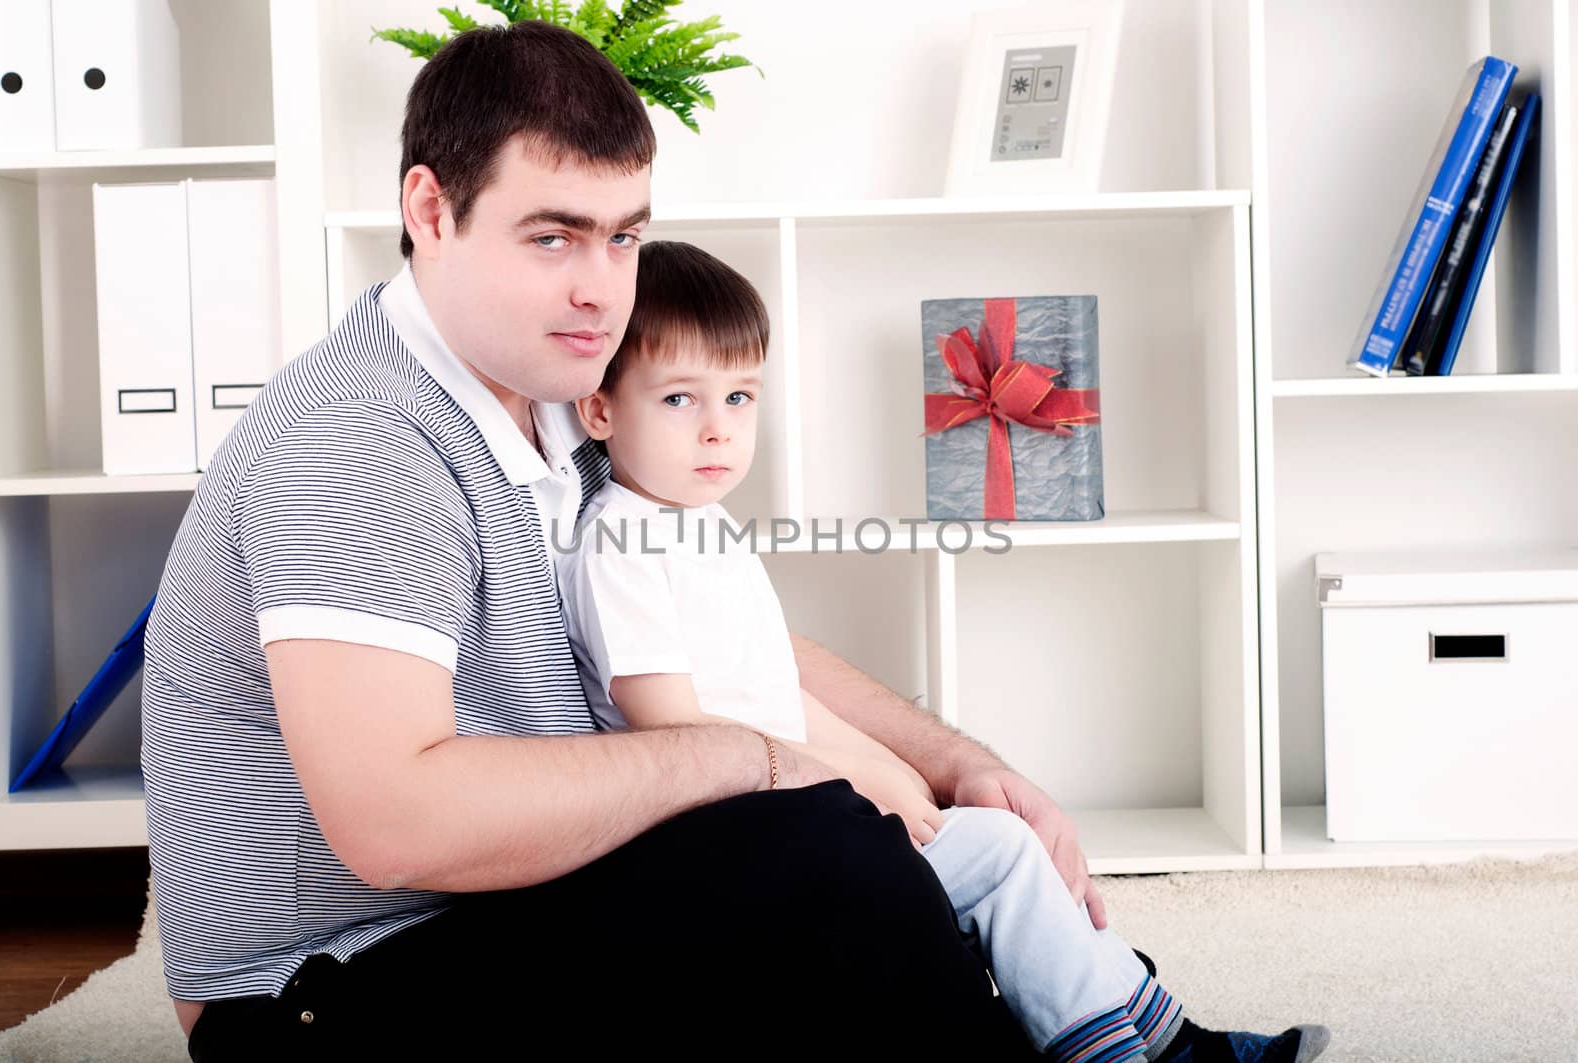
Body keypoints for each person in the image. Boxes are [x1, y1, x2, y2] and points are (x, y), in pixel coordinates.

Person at [142, 21, 1098, 1061]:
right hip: (330, 987)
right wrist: (759, 761)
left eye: (623, 236)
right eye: (553, 237)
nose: (601, 287)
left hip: (528, 902)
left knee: (922, 860)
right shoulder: (357, 434)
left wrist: (958, 768)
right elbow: (395, 823)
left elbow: (717, 647)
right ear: (430, 210)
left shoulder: (570, 404)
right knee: (820, 850)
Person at [555, 240, 1334, 1063]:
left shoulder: (700, 524)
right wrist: (858, 784)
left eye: (740, 396)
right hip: (731, 830)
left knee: (1005, 842)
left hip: (793, 797)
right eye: (679, 398)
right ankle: (1126, 1052)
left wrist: (892, 767)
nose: (718, 428)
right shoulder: (620, 545)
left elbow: (781, 689)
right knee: (998, 856)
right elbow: (674, 726)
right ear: (600, 409)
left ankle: (1169, 1037)